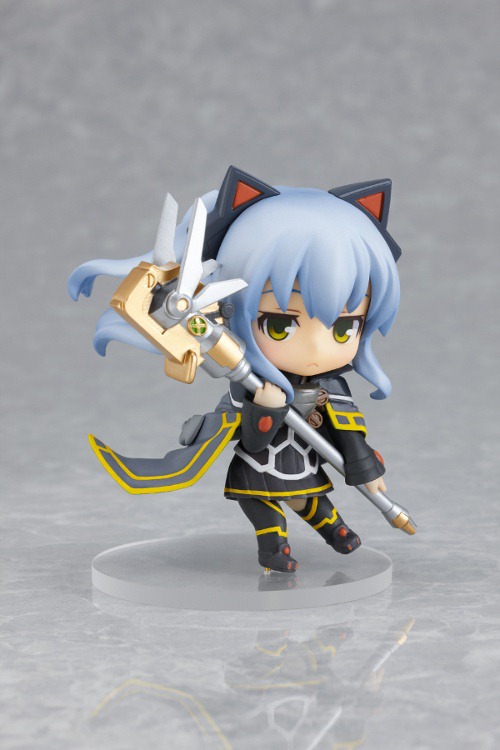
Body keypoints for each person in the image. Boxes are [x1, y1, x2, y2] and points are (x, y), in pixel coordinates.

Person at [68, 167, 401, 572]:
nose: (316, 349)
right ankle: (274, 546)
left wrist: (367, 469)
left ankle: (334, 528)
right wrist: (265, 408)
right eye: (279, 325)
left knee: (310, 498)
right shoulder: (249, 384)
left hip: (307, 462)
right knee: (263, 503)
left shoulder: (333, 387)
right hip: (260, 465)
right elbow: (255, 441)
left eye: (345, 327)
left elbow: (349, 433)